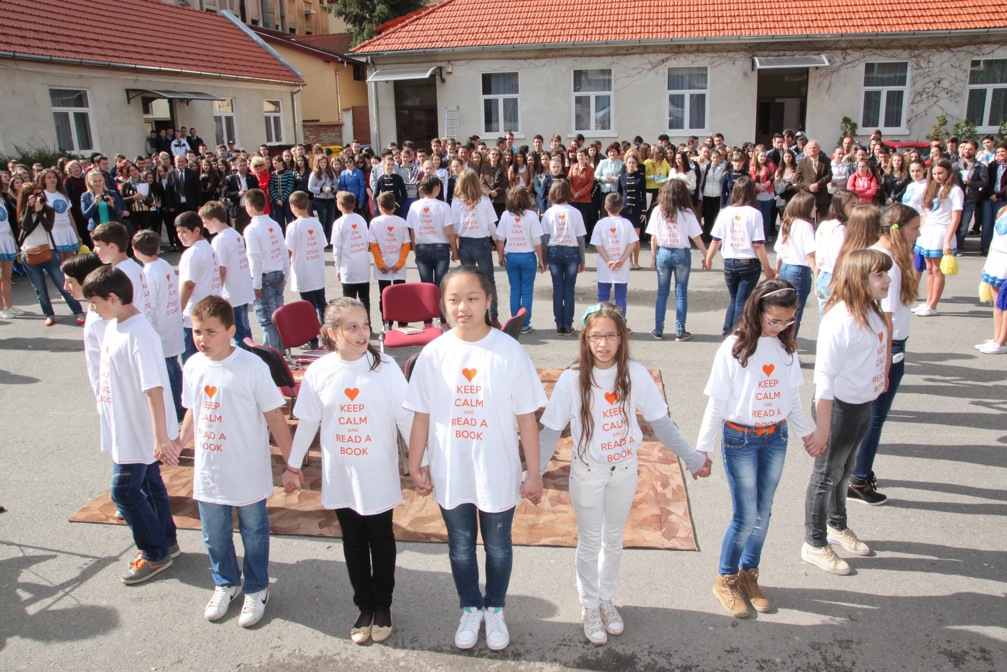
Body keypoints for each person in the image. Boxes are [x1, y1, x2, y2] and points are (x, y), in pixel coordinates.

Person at [539, 302, 710, 644]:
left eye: (610, 336)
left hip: (625, 471)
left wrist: (692, 457)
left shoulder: (634, 373)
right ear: (585, 339)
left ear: (622, 338)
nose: (603, 343)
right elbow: (549, 431)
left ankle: (606, 599)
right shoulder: (572, 380)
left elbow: (661, 422)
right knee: (589, 541)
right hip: (588, 473)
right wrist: (532, 474)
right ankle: (589, 605)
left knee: (614, 538)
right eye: (595, 336)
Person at [405, 266, 546, 652]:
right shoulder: (433, 354)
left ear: (489, 300)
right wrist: (415, 463)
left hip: (497, 470)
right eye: (453, 299)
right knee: (461, 545)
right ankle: (470, 606)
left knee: (499, 546)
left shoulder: (509, 351)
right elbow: (421, 415)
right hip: (452, 471)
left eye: (472, 298)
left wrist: (533, 473)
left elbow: (527, 421)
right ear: (442, 305)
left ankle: (495, 608)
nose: (463, 307)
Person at [284, 297, 412, 644]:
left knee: (381, 538)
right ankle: (364, 605)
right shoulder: (320, 372)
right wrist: (293, 465)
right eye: (352, 327)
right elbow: (308, 420)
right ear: (332, 333)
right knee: (353, 541)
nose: (361, 333)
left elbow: (405, 417)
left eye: (365, 325)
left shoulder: (384, 367)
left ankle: (383, 605)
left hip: (377, 472)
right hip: (341, 473)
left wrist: (420, 461)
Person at [170, 296, 291, 627]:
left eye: (211, 331)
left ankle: (256, 587)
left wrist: (292, 464)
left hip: (246, 468)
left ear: (231, 330)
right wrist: (180, 441)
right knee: (214, 532)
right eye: (197, 332)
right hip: (210, 469)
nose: (202, 339)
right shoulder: (193, 365)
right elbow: (193, 409)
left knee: (253, 530)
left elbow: (276, 418)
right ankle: (226, 583)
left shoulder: (251, 367)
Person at [697, 280, 817, 617]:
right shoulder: (734, 348)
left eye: (788, 321)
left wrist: (807, 433)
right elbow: (717, 403)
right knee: (746, 515)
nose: (781, 327)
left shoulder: (786, 349)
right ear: (757, 310)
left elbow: (791, 397)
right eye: (774, 320)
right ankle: (726, 579)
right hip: (741, 440)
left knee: (764, 514)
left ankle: (750, 574)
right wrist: (701, 450)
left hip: (776, 438)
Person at [82, 266, 179, 584]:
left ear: (113, 297)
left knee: (124, 492)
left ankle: (154, 553)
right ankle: (166, 541)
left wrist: (161, 437)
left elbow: (154, 388)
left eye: (95, 302)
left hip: (139, 432)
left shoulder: (140, 333)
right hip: (127, 426)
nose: (92, 309)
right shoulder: (114, 324)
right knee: (151, 487)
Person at [803, 249, 892, 575]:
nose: (887, 280)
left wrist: (880, 375)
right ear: (859, 279)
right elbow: (824, 378)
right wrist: (823, 427)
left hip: (862, 404)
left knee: (846, 469)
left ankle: (837, 525)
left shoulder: (871, 310)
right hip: (839, 409)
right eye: (880, 275)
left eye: (886, 273)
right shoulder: (839, 320)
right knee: (827, 475)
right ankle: (814, 543)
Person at [847, 204, 922, 505]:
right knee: (874, 417)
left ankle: (855, 473)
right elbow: (886, 315)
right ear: (899, 228)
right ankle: (859, 479)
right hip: (887, 345)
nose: (918, 234)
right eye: (915, 228)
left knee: (869, 416)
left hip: (884, 344)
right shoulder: (885, 262)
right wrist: (887, 359)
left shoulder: (879, 255)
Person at [705, 177, 775, 336]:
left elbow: (716, 240)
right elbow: (758, 244)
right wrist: (767, 268)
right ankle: (736, 334)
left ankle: (727, 331)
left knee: (734, 299)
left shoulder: (725, 212)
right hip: (748, 262)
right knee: (741, 301)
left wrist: (708, 259)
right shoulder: (755, 214)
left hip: (729, 261)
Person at [131, 230, 186, 421]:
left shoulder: (147, 272)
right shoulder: (163, 264)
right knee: (174, 367)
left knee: (168, 370)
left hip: (160, 327)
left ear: (136, 250)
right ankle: (182, 405)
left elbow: (150, 305)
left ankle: (179, 410)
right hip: (171, 323)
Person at [646, 180, 708, 340]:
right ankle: (680, 330)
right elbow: (696, 236)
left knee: (662, 293)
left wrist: (653, 257)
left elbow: (654, 237)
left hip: (663, 253)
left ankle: (658, 329)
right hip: (681, 253)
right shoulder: (686, 212)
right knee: (681, 293)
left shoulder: (658, 210)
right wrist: (706, 255)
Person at [17, 184, 85, 326]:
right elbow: (25, 227)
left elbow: (48, 227)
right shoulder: (24, 211)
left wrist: (40, 212)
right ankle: (49, 314)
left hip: (48, 250)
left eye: (40, 194)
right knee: (39, 288)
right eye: (34, 195)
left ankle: (78, 311)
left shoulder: (49, 210)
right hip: (29, 252)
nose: (38, 198)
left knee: (62, 283)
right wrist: (30, 210)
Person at [199, 201, 254, 346]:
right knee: (244, 326)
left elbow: (221, 270)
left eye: (205, 222)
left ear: (214, 220)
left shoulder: (219, 239)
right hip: (241, 287)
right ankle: (251, 354)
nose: (204, 226)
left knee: (237, 331)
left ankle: (243, 360)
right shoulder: (234, 233)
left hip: (232, 291)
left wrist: (216, 293)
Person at [451, 169, 502, 325]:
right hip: (482, 243)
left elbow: (454, 229)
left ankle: (472, 314)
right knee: (488, 281)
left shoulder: (456, 201)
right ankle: (492, 314)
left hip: (465, 243)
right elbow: (492, 227)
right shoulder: (484, 200)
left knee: (468, 282)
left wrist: (455, 250)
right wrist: (500, 250)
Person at [913, 158, 963, 316]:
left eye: (940, 173)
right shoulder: (932, 187)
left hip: (942, 232)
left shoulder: (955, 190)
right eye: (934, 173)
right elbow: (927, 213)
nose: (937, 176)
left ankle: (933, 305)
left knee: (937, 270)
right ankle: (928, 302)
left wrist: (947, 239)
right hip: (928, 231)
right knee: (928, 269)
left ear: (948, 172)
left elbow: (956, 217)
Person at [243, 188, 289, 351]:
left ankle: (272, 354)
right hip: (277, 273)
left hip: (265, 277)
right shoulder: (274, 223)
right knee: (277, 316)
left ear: (249, 205)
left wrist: (256, 284)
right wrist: (286, 273)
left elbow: (254, 258)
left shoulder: (252, 229)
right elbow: (283, 250)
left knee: (266, 319)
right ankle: (281, 349)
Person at [495, 186, 545, 334]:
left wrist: (500, 255)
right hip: (528, 256)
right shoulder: (531, 216)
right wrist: (541, 259)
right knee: (527, 291)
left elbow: (500, 238)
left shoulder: (505, 215)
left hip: (512, 256)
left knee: (515, 290)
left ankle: (514, 322)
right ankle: (525, 324)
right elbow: (537, 240)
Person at [542, 179, 587, 335]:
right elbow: (581, 239)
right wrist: (582, 260)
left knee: (557, 289)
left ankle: (558, 324)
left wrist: (543, 259)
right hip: (571, 251)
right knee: (569, 290)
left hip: (553, 251)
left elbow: (545, 238)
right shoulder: (575, 212)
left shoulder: (548, 213)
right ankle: (567, 325)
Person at [175, 212, 222, 363]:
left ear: (196, 230)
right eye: (178, 232)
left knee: (192, 361)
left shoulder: (193, 252)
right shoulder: (208, 248)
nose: (181, 236)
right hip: (210, 311)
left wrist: (178, 311)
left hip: (194, 317)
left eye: (184, 231)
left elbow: (188, 284)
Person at [59, 252, 106, 399]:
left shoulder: (102, 317)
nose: (65, 287)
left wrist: (104, 397)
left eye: (70, 281)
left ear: (86, 280)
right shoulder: (95, 309)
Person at [285, 191, 328, 345]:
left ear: (293, 206)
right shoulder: (316, 223)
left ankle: (312, 339)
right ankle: (327, 337)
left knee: (308, 308)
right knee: (321, 305)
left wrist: (285, 272)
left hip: (304, 273)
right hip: (317, 272)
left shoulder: (293, 227)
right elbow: (322, 244)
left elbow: (289, 251)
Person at [774, 191, 818, 336]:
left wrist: (778, 271)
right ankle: (789, 347)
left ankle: (782, 343)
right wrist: (818, 278)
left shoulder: (787, 222)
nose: (815, 209)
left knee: (784, 310)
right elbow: (811, 255)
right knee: (795, 314)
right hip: (799, 271)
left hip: (786, 267)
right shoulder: (805, 226)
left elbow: (779, 251)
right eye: (813, 206)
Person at [590, 193, 638, 318]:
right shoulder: (626, 223)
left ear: (605, 207)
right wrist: (622, 260)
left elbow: (597, 244)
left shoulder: (600, 224)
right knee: (621, 296)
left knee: (603, 296)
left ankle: (601, 322)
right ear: (622, 207)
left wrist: (607, 260)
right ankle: (621, 323)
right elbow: (633, 242)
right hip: (621, 267)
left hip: (605, 266)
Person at [368, 191, 411, 329]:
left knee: (384, 295)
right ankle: (403, 322)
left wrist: (381, 264)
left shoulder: (375, 222)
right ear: (394, 206)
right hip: (398, 263)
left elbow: (373, 245)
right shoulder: (401, 222)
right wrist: (399, 263)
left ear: (379, 206)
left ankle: (387, 323)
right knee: (400, 294)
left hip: (383, 265)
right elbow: (406, 244)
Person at [813, 191, 858, 318]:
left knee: (825, 321)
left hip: (823, 276)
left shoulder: (824, 224)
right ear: (840, 206)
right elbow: (839, 258)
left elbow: (819, 254)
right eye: (852, 205)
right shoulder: (840, 229)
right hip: (835, 277)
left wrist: (816, 281)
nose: (856, 209)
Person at [332, 191, 372, 322]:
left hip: (348, 268)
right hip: (362, 266)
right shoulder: (361, 219)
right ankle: (367, 323)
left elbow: (337, 248)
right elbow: (366, 241)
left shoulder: (339, 223)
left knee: (349, 301)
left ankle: (352, 324)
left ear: (340, 205)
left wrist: (338, 268)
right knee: (365, 299)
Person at [977, 204, 1007, 354]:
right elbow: (995, 239)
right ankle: (997, 338)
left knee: (1006, 303)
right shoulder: (1003, 210)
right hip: (997, 258)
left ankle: (1002, 342)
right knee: (998, 303)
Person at [618, 152, 647, 269]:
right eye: (629, 162)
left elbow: (643, 195)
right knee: (626, 238)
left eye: (633, 163)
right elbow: (619, 195)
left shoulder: (641, 177)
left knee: (635, 238)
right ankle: (628, 261)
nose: (631, 165)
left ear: (637, 164)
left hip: (636, 210)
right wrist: (618, 211)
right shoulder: (621, 177)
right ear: (626, 163)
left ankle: (636, 261)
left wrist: (644, 211)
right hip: (624, 211)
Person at [795, 140, 832, 221]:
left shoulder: (826, 161)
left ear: (819, 149)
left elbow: (829, 176)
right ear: (806, 150)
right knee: (806, 219)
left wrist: (817, 185)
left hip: (821, 196)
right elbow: (798, 179)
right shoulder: (802, 162)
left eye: (814, 148)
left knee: (821, 220)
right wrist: (809, 186)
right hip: (807, 195)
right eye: (810, 148)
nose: (812, 150)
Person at [0, 195, 18, 318]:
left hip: (6, 239)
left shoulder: (1, 199)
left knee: (7, 276)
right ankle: (1, 309)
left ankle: (9, 306)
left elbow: (7, 222)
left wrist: (13, 241)